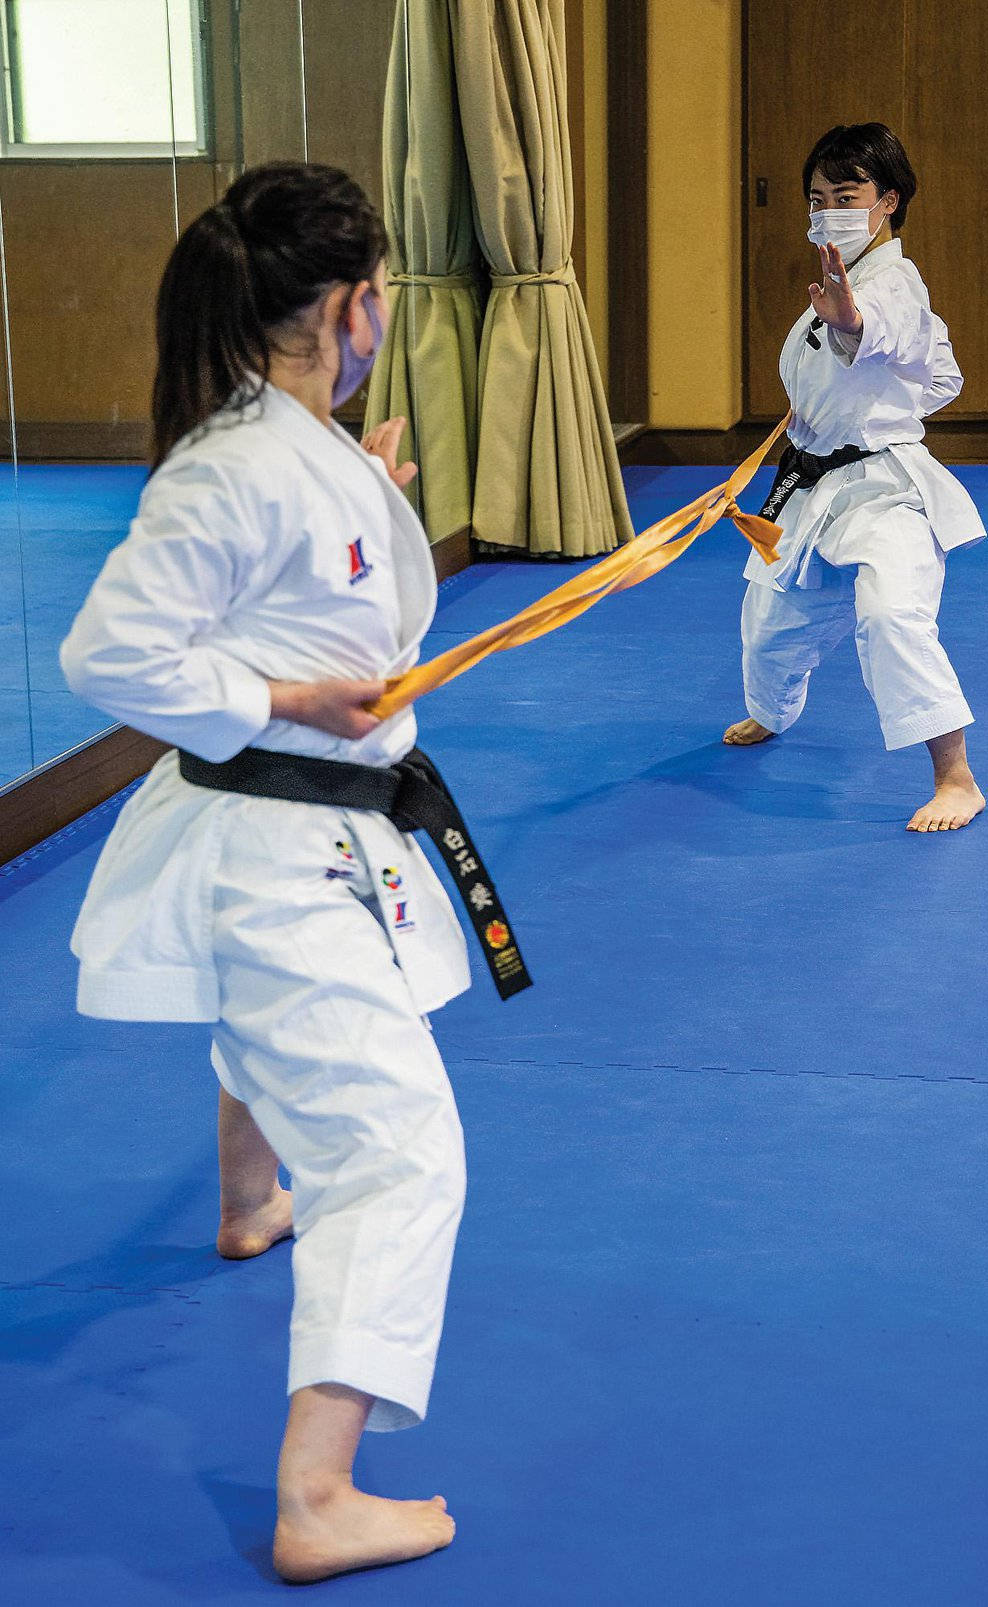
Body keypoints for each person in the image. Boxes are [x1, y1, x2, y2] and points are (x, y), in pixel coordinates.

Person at [60, 162, 469, 1582]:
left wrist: (373, 491)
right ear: (355, 305)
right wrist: (290, 699)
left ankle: (248, 1202)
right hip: (275, 838)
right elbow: (110, 656)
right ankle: (317, 1494)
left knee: (283, 1024)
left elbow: (302, 580)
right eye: (383, 296)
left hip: (299, 833)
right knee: (402, 1148)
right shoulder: (237, 461)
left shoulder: (295, 439)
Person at [723, 123, 986, 832]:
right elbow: (941, 374)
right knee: (768, 630)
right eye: (817, 196)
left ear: (888, 200)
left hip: (884, 492)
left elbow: (886, 330)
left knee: (892, 613)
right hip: (810, 489)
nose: (829, 208)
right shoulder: (848, 275)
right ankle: (771, 713)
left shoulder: (890, 284)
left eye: (848, 194)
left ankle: (956, 778)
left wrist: (852, 327)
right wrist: (877, 392)